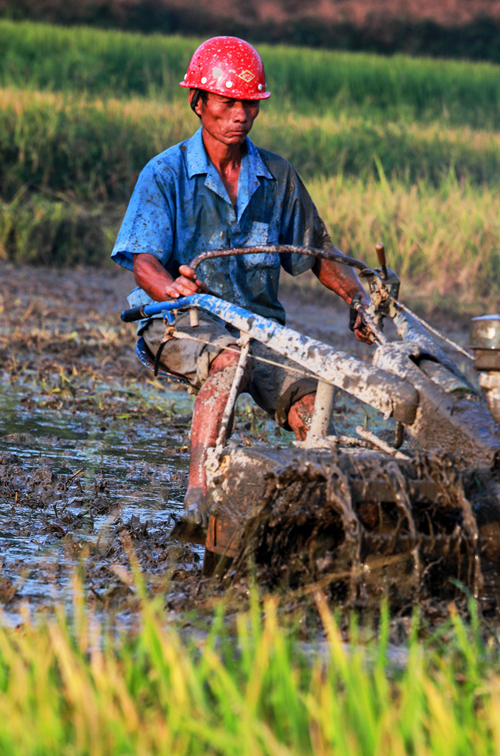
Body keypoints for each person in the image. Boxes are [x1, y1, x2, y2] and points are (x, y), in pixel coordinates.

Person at [111, 35, 374, 531]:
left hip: (259, 328)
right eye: (227, 102)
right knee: (230, 364)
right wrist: (170, 287)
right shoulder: (165, 173)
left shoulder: (276, 177)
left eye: (248, 104)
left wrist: (357, 298)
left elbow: (318, 253)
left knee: (313, 403)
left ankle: (318, 513)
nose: (239, 114)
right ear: (198, 102)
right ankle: (198, 498)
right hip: (182, 319)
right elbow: (143, 260)